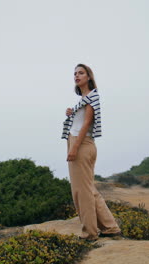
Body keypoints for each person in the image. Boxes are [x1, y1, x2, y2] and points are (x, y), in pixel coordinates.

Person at [61, 63, 121, 241]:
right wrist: (71, 113)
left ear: (89, 77)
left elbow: (87, 123)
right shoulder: (85, 98)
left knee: (82, 192)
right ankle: (110, 227)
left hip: (81, 144)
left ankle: (90, 233)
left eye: (81, 73)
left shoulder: (92, 96)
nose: (76, 76)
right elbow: (80, 121)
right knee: (88, 189)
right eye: (75, 74)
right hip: (80, 143)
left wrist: (74, 147)